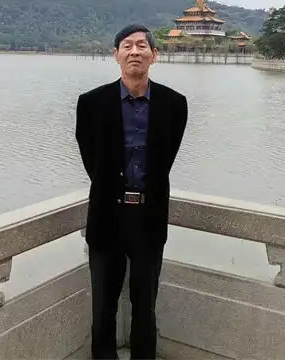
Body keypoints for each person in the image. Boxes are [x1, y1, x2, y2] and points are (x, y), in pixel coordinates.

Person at [75, 24, 188, 359]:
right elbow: (92, 161)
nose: (135, 51)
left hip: (149, 218)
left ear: (155, 55)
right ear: (116, 55)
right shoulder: (91, 103)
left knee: (145, 307)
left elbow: (165, 160)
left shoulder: (174, 104)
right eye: (127, 45)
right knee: (103, 309)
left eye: (142, 45)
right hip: (106, 216)